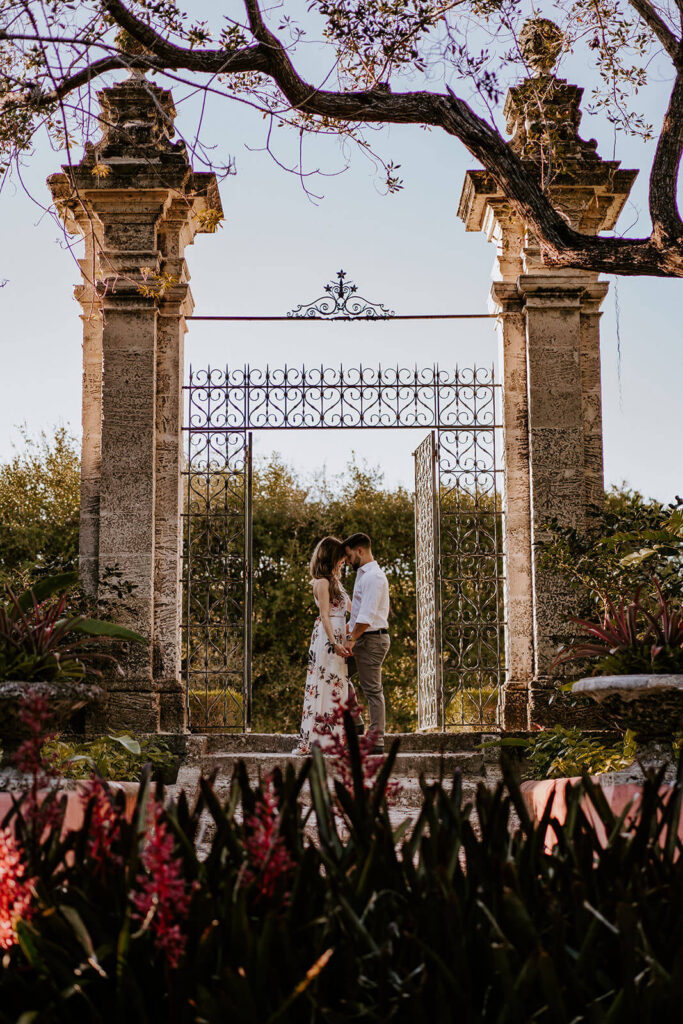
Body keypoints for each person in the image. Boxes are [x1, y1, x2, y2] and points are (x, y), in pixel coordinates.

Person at [292, 536, 353, 756]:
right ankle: (318, 740)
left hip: (339, 635)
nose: (344, 561)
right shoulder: (323, 583)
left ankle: (333, 740)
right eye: (340, 558)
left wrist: (351, 635)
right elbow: (325, 616)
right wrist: (335, 643)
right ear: (331, 557)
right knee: (325, 685)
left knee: (337, 686)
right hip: (328, 639)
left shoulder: (336, 581)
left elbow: (351, 609)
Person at [343, 532, 391, 755]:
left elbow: (367, 617)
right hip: (363, 638)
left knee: (373, 690)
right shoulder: (362, 575)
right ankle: (356, 722)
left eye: (349, 556)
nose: (348, 561)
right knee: (339, 674)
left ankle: (377, 740)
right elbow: (358, 613)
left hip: (371, 639)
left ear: (360, 550)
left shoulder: (374, 577)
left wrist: (352, 639)